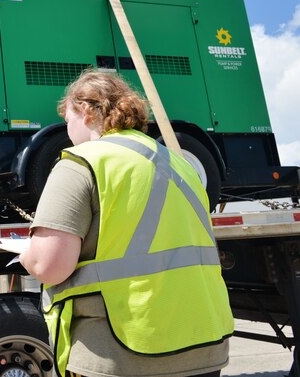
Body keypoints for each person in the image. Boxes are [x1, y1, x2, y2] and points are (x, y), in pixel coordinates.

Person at [19, 70, 233, 377]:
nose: (67, 132)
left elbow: (48, 265)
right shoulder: (180, 165)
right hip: (206, 344)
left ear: (87, 111)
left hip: (125, 351)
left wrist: (28, 254)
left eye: (68, 120)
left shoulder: (81, 162)